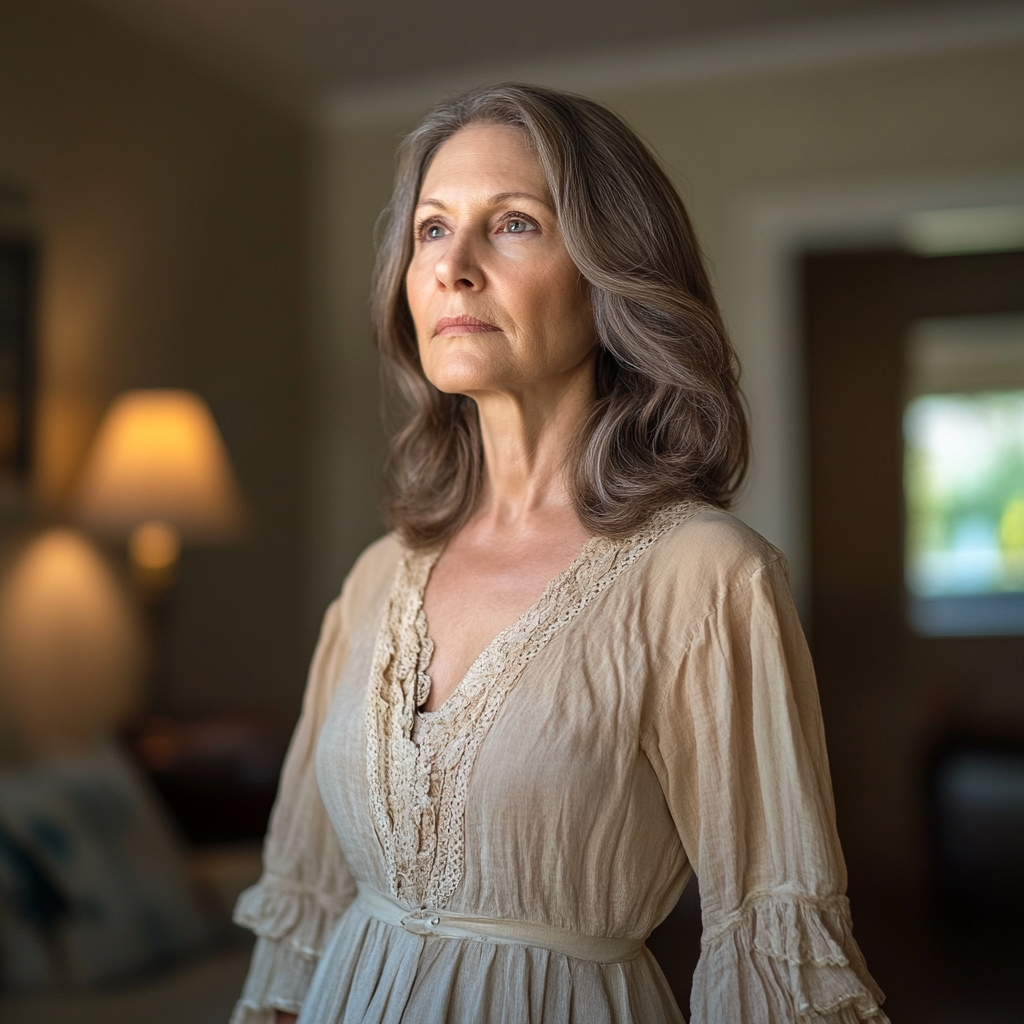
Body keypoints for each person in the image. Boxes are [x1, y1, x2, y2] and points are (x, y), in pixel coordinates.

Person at [231, 84, 888, 1024]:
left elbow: (765, 938)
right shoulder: (376, 579)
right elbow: (301, 926)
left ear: (609, 272)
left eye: (513, 225)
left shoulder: (705, 577)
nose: (453, 267)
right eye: (430, 230)